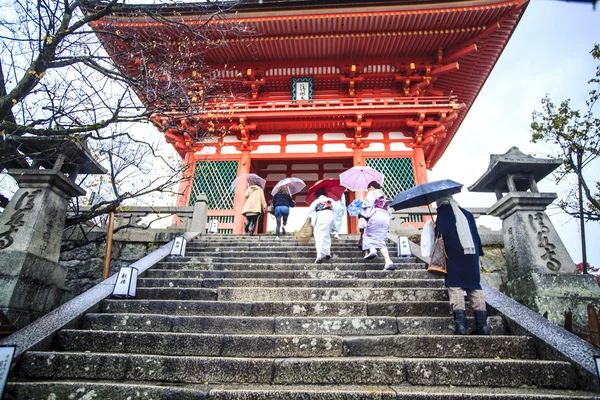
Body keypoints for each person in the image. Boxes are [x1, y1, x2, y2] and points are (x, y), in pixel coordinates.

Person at [434, 195, 489, 335]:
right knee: (475, 287)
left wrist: (435, 227)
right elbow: (476, 236)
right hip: (471, 255)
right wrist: (479, 254)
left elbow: (440, 234)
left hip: (453, 255)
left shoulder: (443, 214)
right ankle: (482, 325)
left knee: (456, 286)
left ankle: (460, 325)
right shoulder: (467, 214)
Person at [361, 181, 394, 271]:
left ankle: (372, 250)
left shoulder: (372, 193)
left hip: (376, 216)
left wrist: (363, 215)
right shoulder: (383, 196)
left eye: (368, 189)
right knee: (380, 240)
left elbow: (367, 206)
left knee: (367, 234)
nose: (368, 191)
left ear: (371, 187)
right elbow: (389, 211)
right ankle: (388, 262)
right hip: (386, 218)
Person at [307, 188, 342, 263]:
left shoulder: (316, 201)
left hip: (320, 217)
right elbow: (338, 208)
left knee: (319, 235)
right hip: (329, 216)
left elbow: (310, 211)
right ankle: (327, 252)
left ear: (317, 195)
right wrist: (333, 216)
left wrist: (314, 220)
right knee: (327, 234)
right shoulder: (330, 200)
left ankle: (319, 254)